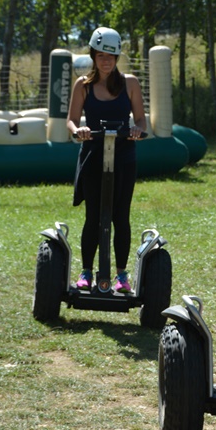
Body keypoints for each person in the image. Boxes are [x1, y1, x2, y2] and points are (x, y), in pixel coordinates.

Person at [66, 26, 147, 293]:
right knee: (93, 216)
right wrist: (78, 130)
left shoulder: (130, 83)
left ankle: (122, 276)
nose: (106, 61)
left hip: (123, 156)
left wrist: (137, 130)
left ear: (117, 57)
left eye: (111, 56)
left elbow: (141, 119)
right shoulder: (83, 85)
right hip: (93, 155)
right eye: (101, 55)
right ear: (93, 56)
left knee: (121, 217)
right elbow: (71, 120)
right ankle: (86, 272)